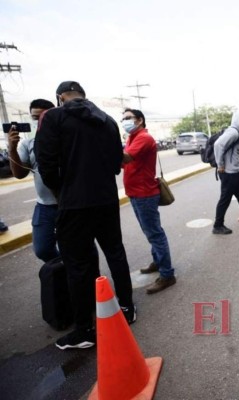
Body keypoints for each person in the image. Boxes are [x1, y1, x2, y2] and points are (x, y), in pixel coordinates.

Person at [35, 81, 135, 350]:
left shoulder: (54, 117)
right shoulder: (108, 121)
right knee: (115, 252)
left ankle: (84, 330)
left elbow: (46, 163)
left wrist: (62, 192)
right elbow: (117, 164)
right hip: (105, 200)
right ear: (83, 95)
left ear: (60, 98)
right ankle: (127, 308)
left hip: (73, 204)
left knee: (77, 265)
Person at [121, 108, 176, 294]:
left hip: (144, 193)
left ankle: (167, 275)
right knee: (149, 231)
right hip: (136, 192)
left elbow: (126, 157)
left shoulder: (143, 138)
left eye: (128, 118)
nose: (124, 121)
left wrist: (107, 142)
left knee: (155, 233)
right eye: (123, 118)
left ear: (140, 120)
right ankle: (158, 261)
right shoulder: (131, 138)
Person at [8, 99, 60, 262]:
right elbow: (19, 174)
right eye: (35, 118)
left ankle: (86, 277)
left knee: (79, 247)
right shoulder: (29, 142)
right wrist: (12, 148)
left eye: (44, 117)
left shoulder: (67, 138)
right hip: (44, 206)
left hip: (68, 203)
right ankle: (64, 270)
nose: (39, 122)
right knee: (43, 249)